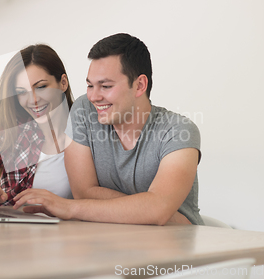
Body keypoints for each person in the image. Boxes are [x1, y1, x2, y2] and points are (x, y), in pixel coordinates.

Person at [13, 33, 204, 225]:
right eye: (89, 85)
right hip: (109, 239)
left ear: (139, 85)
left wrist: (68, 207)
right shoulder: (84, 111)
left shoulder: (178, 131)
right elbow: (83, 192)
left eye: (105, 86)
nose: (94, 97)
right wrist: (143, 208)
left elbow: (157, 210)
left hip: (174, 243)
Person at [0, 44, 74, 207]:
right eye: (21, 92)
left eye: (41, 87)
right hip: (12, 230)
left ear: (63, 83)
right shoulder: (13, 130)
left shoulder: (85, 131)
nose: (33, 100)